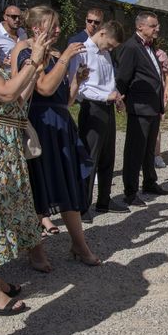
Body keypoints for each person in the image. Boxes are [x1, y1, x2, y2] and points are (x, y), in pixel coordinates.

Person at [11, 5, 101, 268]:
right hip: (40, 125)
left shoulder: (55, 52)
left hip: (61, 122)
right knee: (40, 185)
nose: (60, 29)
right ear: (38, 27)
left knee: (68, 184)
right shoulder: (26, 50)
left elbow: (66, 98)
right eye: (54, 24)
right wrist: (65, 59)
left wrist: (77, 80)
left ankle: (79, 243)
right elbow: (44, 88)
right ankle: (35, 249)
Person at [0, 1, 50, 315]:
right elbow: (5, 94)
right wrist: (33, 62)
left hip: (4, 143)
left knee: (0, 213)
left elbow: (17, 99)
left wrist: (35, 67)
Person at [116, 11, 168, 208]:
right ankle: (130, 192)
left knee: (149, 149)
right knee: (135, 151)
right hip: (139, 107)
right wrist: (120, 100)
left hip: (152, 107)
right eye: (153, 26)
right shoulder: (131, 47)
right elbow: (123, 78)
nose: (157, 28)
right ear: (140, 27)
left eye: (157, 25)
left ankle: (149, 182)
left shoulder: (150, 47)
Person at [73, 20, 128, 215]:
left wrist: (116, 96)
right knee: (90, 156)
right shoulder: (83, 51)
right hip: (92, 108)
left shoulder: (105, 54)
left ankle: (104, 200)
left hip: (108, 107)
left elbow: (109, 81)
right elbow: (80, 88)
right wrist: (105, 96)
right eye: (110, 44)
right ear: (102, 33)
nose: (111, 48)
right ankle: (83, 205)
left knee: (108, 155)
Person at [153, 42, 168, 169]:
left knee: (156, 126)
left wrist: (166, 90)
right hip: (141, 95)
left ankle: (156, 155)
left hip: (157, 94)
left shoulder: (161, 54)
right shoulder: (137, 51)